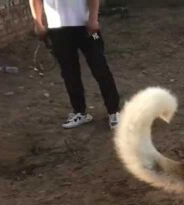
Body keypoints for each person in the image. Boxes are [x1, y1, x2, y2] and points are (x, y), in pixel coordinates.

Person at [29, 0, 121, 129]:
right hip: (57, 30)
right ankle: (79, 112)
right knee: (69, 72)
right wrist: (37, 22)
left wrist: (93, 19)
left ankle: (114, 111)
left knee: (100, 66)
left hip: (88, 28)